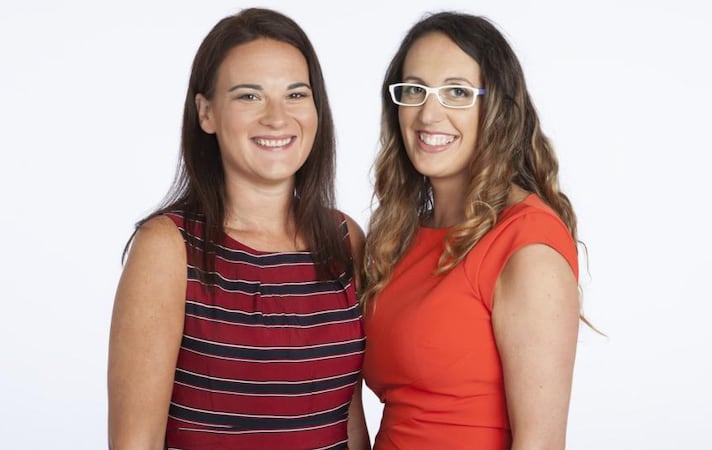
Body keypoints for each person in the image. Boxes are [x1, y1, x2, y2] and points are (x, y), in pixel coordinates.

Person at [107, 8, 369, 450]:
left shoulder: (344, 238)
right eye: (249, 96)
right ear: (206, 113)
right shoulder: (167, 249)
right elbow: (137, 441)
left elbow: (349, 420)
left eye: (296, 94)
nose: (277, 118)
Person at [362, 11, 582, 450]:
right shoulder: (400, 238)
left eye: (457, 92)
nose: (429, 113)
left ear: (496, 109)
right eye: (415, 90)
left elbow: (540, 443)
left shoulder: (526, 244)